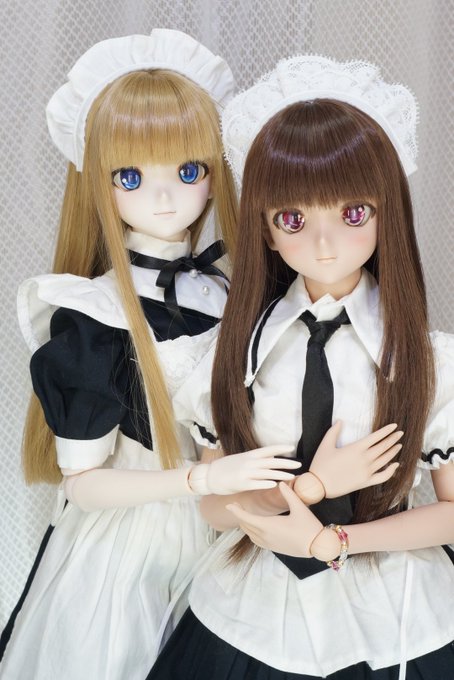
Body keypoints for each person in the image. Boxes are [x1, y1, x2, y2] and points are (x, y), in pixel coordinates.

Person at [0, 30, 304, 680]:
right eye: (131, 177)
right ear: (99, 184)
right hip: (137, 547)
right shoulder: (95, 312)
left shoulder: (236, 289)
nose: (164, 198)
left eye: (188, 171)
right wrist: (202, 480)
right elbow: (84, 486)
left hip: (237, 530)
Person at [147, 56, 454, 680]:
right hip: (255, 605)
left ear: (386, 213)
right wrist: (309, 490)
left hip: (395, 606)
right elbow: (213, 507)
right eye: (293, 219)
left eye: (353, 214)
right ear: (264, 228)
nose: (323, 243)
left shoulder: (430, 361)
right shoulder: (230, 355)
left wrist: (332, 542)